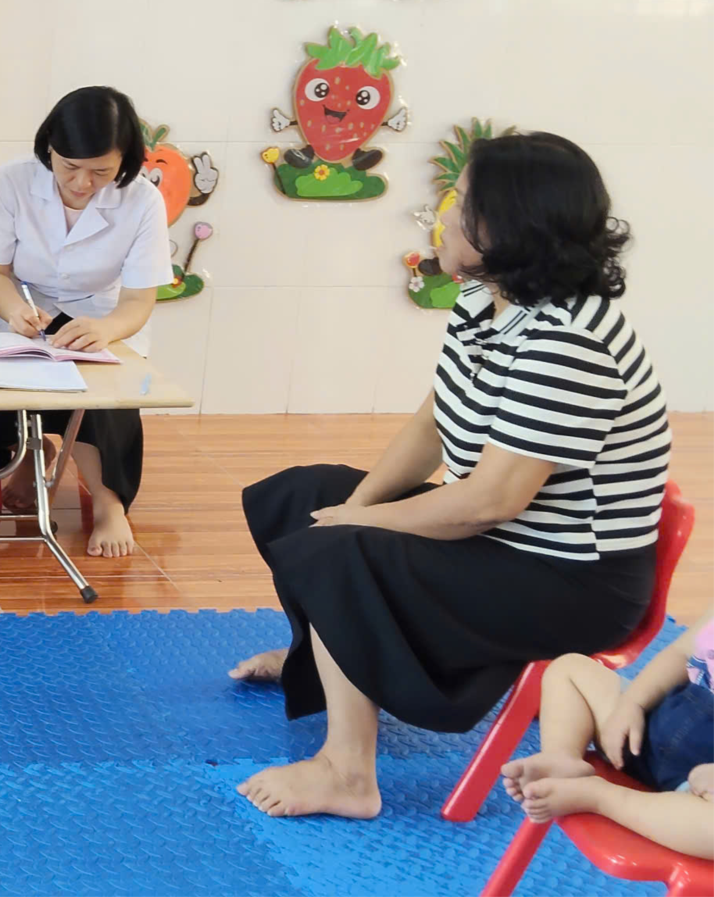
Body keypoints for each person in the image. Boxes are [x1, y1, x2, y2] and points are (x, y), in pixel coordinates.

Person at [229, 132, 670, 820]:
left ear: (508, 227)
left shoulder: (570, 342)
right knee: (307, 495)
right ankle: (321, 661)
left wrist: (359, 525)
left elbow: (490, 501)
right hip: (508, 539)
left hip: (570, 581)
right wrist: (354, 504)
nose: (445, 213)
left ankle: (347, 773)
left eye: (462, 202)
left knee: (341, 548)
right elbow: (435, 420)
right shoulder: (484, 298)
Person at [0, 86, 171, 558]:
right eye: (69, 166)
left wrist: (106, 330)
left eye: (101, 172)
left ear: (125, 161)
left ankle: (109, 504)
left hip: (100, 315)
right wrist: (13, 310)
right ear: (48, 147)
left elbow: (138, 300)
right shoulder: (11, 182)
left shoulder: (142, 202)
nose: (82, 183)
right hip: (23, 309)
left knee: (104, 399)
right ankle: (27, 457)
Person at [499, 604, 714, 857]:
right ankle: (562, 757)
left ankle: (599, 797)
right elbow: (680, 653)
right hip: (642, 732)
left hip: (695, 789)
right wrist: (632, 703)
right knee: (570, 668)